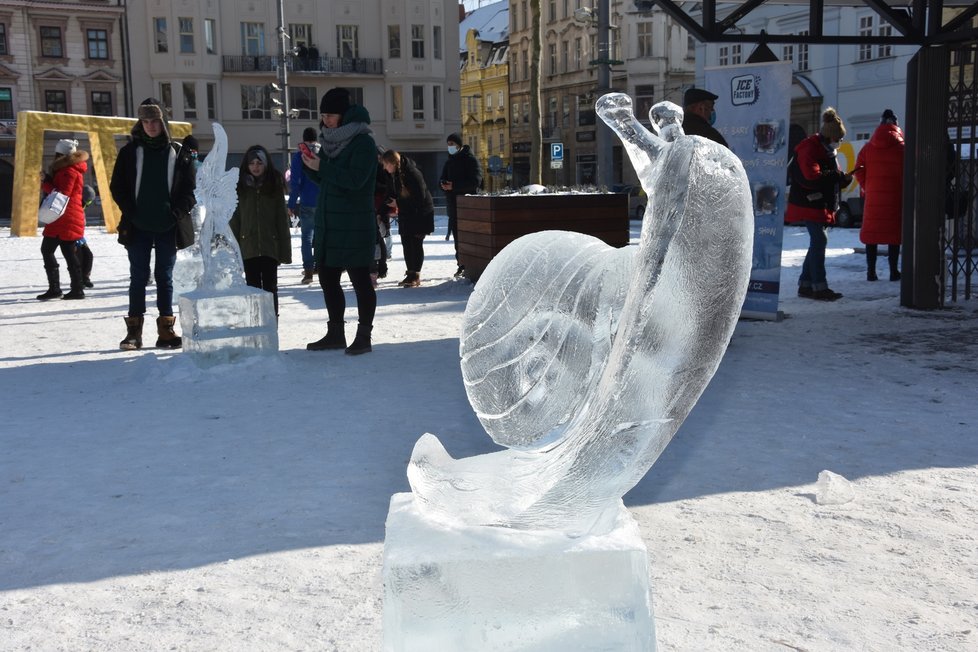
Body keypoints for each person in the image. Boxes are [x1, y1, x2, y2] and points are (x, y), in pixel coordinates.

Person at [110, 97, 196, 350]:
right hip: (138, 226)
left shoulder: (177, 152)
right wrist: (131, 212)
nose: (150, 126)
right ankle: (134, 333)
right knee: (138, 277)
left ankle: (166, 331)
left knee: (165, 277)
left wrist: (175, 213)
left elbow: (189, 190)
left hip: (168, 226)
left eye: (155, 121)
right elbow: (118, 187)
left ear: (163, 122)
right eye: (145, 121)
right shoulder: (129, 152)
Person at [303, 87, 378, 355]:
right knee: (327, 277)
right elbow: (329, 180)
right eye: (323, 115)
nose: (326, 120)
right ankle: (335, 333)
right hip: (330, 223)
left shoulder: (363, 143)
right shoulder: (330, 142)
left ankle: (364, 336)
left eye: (331, 115)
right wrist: (311, 167)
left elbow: (355, 181)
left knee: (360, 280)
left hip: (355, 224)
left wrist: (322, 167)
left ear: (345, 115)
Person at [785, 107, 852, 301]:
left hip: (818, 202)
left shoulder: (827, 150)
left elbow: (828, 176)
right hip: (809, 203)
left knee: (817, 243)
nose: (839, 143)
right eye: (838, 139)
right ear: (830, 137)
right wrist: (837, 177)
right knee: (819, 241)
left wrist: (841, 179)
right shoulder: (810, 148)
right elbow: (812, 176)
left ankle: (805, 285)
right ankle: (819, 287)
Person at [229, 146, 292, 318]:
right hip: (247, 245)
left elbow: (281, 219)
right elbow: (235, 218)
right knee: (253, 287)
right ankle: (256, 323)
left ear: (266, 164)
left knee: (270, 288)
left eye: (259, 163)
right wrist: (233, 248)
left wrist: (284, 251)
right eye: (252, 163)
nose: (255, 167)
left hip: (269, 245)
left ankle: (272, 323)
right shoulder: (239, 186)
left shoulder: (274, 185)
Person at [853, 109, 904, 282]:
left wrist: (867, 185)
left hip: (873, 198)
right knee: (894, 236)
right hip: (895, 197)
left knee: (871, 236)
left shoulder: (868, 148)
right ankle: (893, 271)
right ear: (896, 125)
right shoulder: (903, 148)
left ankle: (871, 272)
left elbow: (858, 170)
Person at [37, 139, 88, 301]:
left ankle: (66, 289)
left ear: (61, 155)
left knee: (51, 250)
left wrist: (46, 183)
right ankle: (72, 288)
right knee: (64, 251)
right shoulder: (69, 169)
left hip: (65, 217)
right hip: (65, 217)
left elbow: (61, 194)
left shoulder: (68, 171)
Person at [381, 150, 435, 288]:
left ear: (393, 163)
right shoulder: (394, 175)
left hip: (419, 213)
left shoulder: (412, 173)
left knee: (415, 244)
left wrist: (397, 203)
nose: (384, 168)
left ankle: (415, 274)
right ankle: (410, 273)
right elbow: (393, 192)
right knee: (406, 242)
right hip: (407, 213)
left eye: (386, 164)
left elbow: (419, 197)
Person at [440, 132, 482, 278]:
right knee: (458, 238)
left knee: (467, 238)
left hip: (467, 207)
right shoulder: (449, 161)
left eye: (452, 144)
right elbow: (442, 179)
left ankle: (468, 266)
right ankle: (461, 265)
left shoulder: (470, 160)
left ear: (459, 145)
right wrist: (443, 185)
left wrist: (454, 186)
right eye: (448, 144)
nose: (449, 147)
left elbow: (475, 182)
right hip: (453, 206)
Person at [289, 126, 321, 283]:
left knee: (307, 237)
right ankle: (323, 267)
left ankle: (309, 271)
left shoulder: (299, 156)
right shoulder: (324, 153)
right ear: (316, 139)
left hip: (307, 202)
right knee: (323, 236)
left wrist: (291, 204)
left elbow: (295, 183)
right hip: (324, 202)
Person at [75, 185, 97, 289]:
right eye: (87, 202)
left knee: (88, 255)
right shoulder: (74, 207)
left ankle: (85, 278)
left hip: (80, 236)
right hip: (71, 236)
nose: (88, 205)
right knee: (78, 256)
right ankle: (77, 280)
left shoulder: (81, 208)